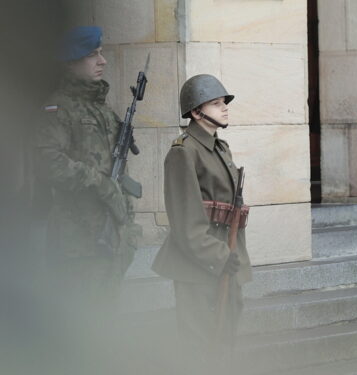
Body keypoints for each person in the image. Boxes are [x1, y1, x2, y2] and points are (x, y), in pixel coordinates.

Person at [36, 25, 140, 320]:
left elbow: (118, 171)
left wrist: (128, 227)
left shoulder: (102, 109)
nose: (102, 61)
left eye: (101, 52)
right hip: (80, 244)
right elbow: (49, 163)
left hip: (111, 240)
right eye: (92, 54)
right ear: (71, 61)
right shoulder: (58, 108)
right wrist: (98, 182)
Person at [152, 74, 251, 370]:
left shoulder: (220, 149)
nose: (225, 109)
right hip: (199, 264)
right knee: (199, 344)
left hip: (225, 259)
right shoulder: (183, 152)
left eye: (225, 103)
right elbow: (186, 222)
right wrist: (220, 256)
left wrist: (230, 258)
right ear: (196, 112)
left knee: (225, 339)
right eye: (216, 103)